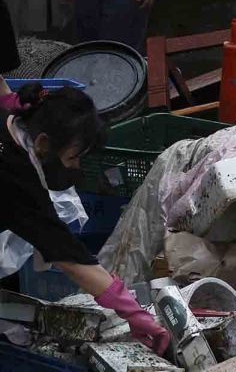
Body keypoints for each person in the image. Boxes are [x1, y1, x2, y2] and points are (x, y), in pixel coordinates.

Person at [0, 77, 170, 352]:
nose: (75, 166)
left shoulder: (12, 116)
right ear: (43, 143)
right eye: (72, 157)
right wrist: (135, 314)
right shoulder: (15, 180)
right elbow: (68, 255)